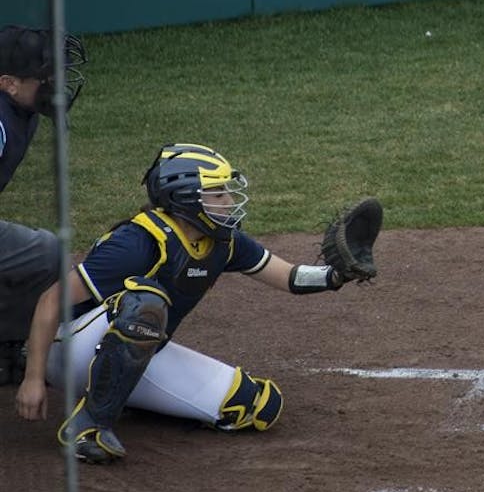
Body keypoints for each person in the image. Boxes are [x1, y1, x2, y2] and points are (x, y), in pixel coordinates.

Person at [16, 142, 370, 463]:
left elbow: (289, 277)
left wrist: (336, 276)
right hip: (66, 350)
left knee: (257, 405)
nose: (229, 201)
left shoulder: (223, 242)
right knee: (145, 303)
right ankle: (88, 426)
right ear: (186, 197)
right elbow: (51, 301)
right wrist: (33, 378)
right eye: (217, 192)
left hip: (134, 349)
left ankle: (126, 396)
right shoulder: (138, 242)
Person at [0, 25, 87, 386]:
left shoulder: (21, 109)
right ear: (9, 83)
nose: (54, 84)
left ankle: (5, 346)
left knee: (46, 254)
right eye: (45, 77)